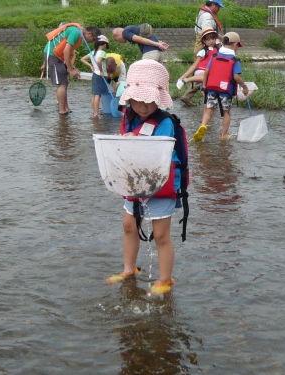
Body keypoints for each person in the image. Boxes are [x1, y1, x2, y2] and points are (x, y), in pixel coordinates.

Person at [105, 60, 179, 295]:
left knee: (160, 234)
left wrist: (132, 142)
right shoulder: (131, 116)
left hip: (161, 183)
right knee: (129, 225)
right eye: (138, 100)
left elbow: (157, 154)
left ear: (158, 99)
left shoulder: (165, 123)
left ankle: (165, 279)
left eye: (149, 101)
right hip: (136, 181)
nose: (144, 107)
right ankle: (129, 269)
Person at [193, 32, 249, 142]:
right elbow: (236, 76)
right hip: (225, 90)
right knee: (227, 112)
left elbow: (207, 72)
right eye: (238, 46)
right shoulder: (234, 60)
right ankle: (223, 135)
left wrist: (204, 86)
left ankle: (203, 125)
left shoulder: (215, 56)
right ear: (235, 45)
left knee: (209, 110)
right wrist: (244, 86)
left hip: (211, 88)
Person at [40, 23, 101, 115]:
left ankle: (66, 108)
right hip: (53, 55)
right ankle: (62, 110)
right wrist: (71, 70)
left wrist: (71, 67)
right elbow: (66, 51)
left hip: (58, 56)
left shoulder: (78, 34)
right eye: (94, 39)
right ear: (89, 33)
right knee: (62, 84)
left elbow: (69, 53)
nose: (92, 42)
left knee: (65, 83)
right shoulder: (76, 32)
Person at [181, 0, 225, 106]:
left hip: (202, 47)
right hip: (204, 49)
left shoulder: (203, 12)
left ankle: (190, 96)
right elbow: (208, 33)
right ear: (213, 5)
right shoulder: (207, 17)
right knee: (206, 74)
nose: (219, 10)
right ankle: (208, 102)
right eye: (218, 7)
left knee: (205, 74)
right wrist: (220, 38)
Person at [176, 27, 218, 100]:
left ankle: (208, 109)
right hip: (201, 71)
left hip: (210, 73)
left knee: (208, 97)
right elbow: (194, 65)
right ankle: (185, 80)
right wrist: (184, 76)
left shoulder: (218, 51)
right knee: (205, 76)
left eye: (212, 39)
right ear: (204, 41)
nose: (211, 41)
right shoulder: (202, 52)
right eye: (208, 39)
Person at [80, 35, 110, 119]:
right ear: (104, 44)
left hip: (94, 74)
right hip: (100, 75)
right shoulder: (102, 53)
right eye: (106, 45)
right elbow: (99, 61)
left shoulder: (93, 52)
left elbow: (82, 59)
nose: (105, 47)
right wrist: (101, 71)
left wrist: (90, 65)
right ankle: (96, 113)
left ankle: (94, 112)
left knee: (94, 94)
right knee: (98, 95)